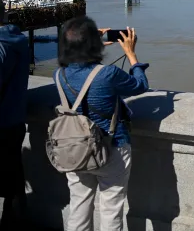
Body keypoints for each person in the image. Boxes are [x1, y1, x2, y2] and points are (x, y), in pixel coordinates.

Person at [57, 17, 149, 231]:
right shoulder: (108, 74)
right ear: (93, 44)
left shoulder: (59, 74)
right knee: (111, 210)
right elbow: (140, 85)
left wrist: (84, 40)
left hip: (74, 149)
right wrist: (131, 54)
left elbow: (68, 61)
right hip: (112, 147)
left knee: (78, 208)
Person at [0, 3, 30, 230]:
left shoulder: (4, 45)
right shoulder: (13, 41)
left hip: (4, 123)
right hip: (12, 120)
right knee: (13, 177)